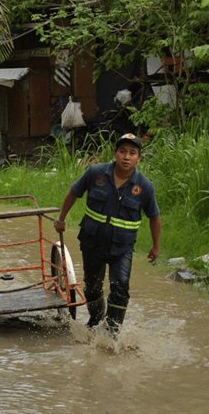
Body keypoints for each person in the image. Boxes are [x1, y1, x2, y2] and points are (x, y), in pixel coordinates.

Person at [53, 133, 161, 334]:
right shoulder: (96, 173)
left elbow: (154, 217)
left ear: (139, 158)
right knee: (92, 287)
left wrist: (156, 246)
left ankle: (111, 332)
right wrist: (61, 218)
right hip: (92, 242)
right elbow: (74, 193)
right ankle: (95, 322)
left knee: (120, 287)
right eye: (122, 152)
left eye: (132, 153)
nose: (126, 157)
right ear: (115, 153)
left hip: (122, 247)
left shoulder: (144, 186)